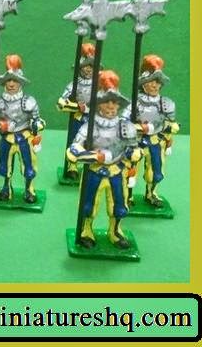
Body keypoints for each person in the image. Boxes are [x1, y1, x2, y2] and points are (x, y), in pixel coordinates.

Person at [67, 70, 143, 249]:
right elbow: (73, 150)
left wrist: (133, 154)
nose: (110, 106)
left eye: (114, 102)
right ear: (98, 104)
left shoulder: (126, 127)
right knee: (88, 204)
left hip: (116, 171)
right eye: (106, 101)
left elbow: (133, 148)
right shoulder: (89, 127)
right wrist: (95, 156)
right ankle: (86, 230)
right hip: (94, 172)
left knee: (119, 205)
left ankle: (115, 231)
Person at [0, 54, 45, 203]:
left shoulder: (28, 102)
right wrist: (1, 125)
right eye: (8, 80)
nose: (11, 84)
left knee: (28, 165)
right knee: (4, 166)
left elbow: (37, 120)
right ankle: (6, 188)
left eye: (15, 80)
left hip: (24, 138)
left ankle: (29, 189)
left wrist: (36, 126)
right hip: (7, 138)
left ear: (20, 83)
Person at [122, 54, 179, 207]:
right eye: (151, 81)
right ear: (143, 83)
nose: (154, 85)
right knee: (130, 169)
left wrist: (170, 127)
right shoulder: (135, 103)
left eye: (157, 82)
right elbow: (123, 121)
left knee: (155, 170)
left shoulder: (165, 103)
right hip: (137, 141)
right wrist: (136, 128)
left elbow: (170, 122)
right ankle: (128, 196)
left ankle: (151, 193)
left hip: (155, 141)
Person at [57, 43, 95, 180]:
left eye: (91, 66)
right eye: (86, 66)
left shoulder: (98, 84)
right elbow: (61, 102)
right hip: (78, 118)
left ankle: (91, 165)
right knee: (74, 140)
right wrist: (75, 106)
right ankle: (72, 166)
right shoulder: (74, 85)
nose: (89, 69)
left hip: (94, 119)